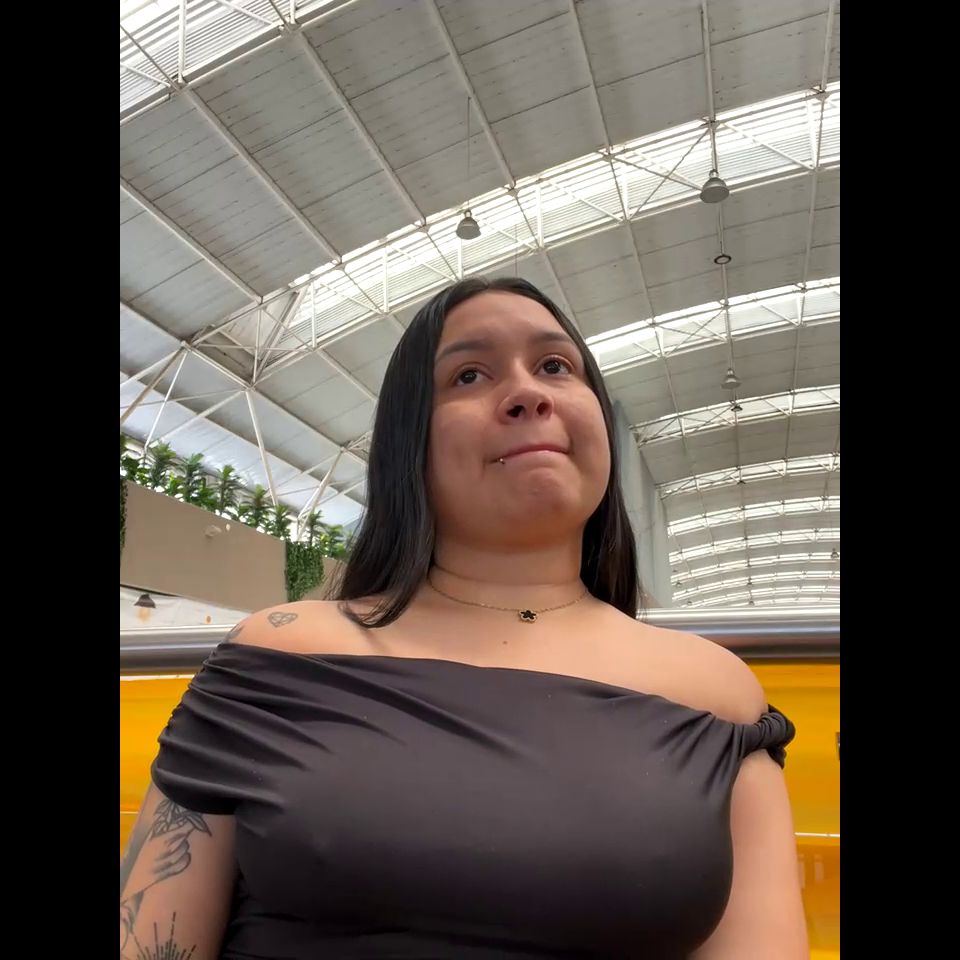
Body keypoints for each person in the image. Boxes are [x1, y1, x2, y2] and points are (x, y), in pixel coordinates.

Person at [120, 276, 807, 959]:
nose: (528, 393)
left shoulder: (716, 696)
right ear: (407, 444)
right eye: (469, 375)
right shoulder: (276, 659)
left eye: (555, 366)